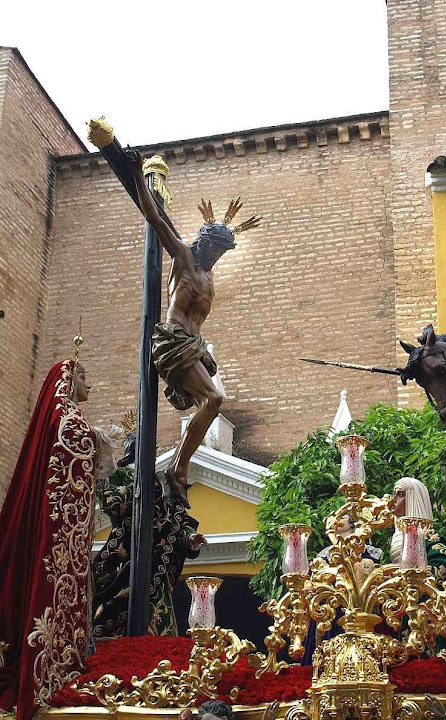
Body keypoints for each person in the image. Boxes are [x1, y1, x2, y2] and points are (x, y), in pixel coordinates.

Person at [128, 150, 261, 507]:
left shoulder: (208, 275)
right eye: (215, 250)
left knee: (212, 400)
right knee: (214, 399)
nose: (216, 258)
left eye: (222, 254)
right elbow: (154, 218)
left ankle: (176, 467)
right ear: (204, 242)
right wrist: (137, 175)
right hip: (172, 341)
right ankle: (178, 468)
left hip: (192, 343)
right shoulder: (184, 257)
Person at [0, 346, 112, 720]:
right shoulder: (70, 421)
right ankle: (50, 675)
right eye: (84, 377)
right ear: (67, 379)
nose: (89, 385)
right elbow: (77, 454)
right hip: (59, 537)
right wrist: (98, 442)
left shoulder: (60, 418)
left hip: (62, 531)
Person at [91, 430, 207, 638]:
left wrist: (190, 538)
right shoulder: (119, 474)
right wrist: (149, 486)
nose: (153, 451)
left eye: (153, 447)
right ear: (134, 448)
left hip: (157, 562)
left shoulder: (163, 480)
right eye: (148, 446)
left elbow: (176, 517)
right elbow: (110, 502)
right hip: (127, 552)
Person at [390, 477, 446, 641]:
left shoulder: (430, 538)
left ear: (413, 499)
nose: (393, 500)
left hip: (429, 622)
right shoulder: (397, 537)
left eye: (400, 495)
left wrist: (412, 577)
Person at [301, 514, 383, 665]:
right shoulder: (325, 554)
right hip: (332, 608)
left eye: (342, 517)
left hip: (360, 608)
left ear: (352, 522)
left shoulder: (371, 552)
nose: (337, 519)